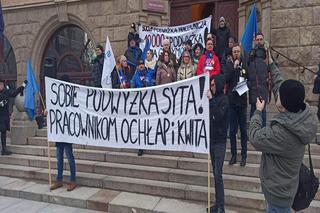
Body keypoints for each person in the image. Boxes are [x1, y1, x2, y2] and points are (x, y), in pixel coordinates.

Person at [249, 50, 317, 213]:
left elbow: (255, 136)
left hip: (278, 197)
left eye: (279, 96)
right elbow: (281, 85)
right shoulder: (301, 114)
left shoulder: (283, 133)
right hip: (286, 191)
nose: (277, 94)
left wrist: (258, 112)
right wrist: (270, 63)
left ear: (283, 105)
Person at [49, 75, 77, 192]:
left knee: (69, 157)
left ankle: (73, 180)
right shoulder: (58, 96)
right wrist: (48, 111)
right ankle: (59, 179)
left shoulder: (71, 96)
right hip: (59, 132)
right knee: (59, 157)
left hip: (67, 132)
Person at [207, 74, 229, 213]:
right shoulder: (213, 100)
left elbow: (218, 116)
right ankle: (217, 203)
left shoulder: (224, 100)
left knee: (218, 173)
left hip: (220, 141)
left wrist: (210, 100)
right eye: (211, 84)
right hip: (211, 139)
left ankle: (221, 206)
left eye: (214, 84)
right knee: (215, 174)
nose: (212, 86)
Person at [224, 44, 248, 166]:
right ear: (232, 53)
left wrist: (240, 70)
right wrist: (234, 68)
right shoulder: (229, 65)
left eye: (238, 51)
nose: (236, 53)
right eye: (234, 52)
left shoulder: (245, 64)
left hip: (242, 102)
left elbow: (248, 78)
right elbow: (226, 79)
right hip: (232, 102)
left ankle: (244, 155)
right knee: (232, 131)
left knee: (243, 131)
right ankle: (234, 155)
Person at [247, 32, 269, 127]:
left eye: (261, 39)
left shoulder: (267, 52)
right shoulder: (252, 52)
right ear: (255, 41)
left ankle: (263, 132)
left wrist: (267, 52)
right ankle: (253, 132)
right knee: (253, 110)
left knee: (263, 111)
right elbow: (247, 65)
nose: (259, 41)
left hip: (263, 87)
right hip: (254, 87)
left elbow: (273, 65)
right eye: (257, 40)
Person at [0, 79, 26, 155]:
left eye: (1, 84)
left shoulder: (6, 92)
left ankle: (4, 150)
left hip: (4, 117)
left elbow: (15, 93)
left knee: (3, 132)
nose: (0, 86)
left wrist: (23, 85)